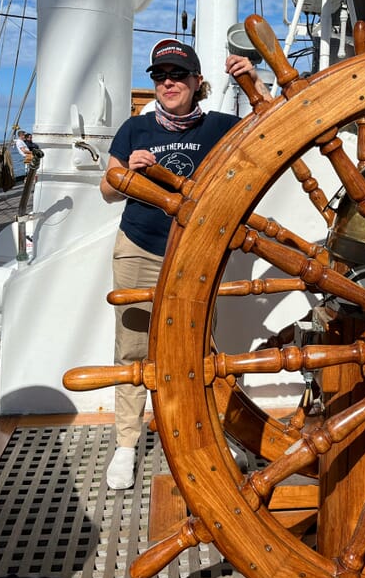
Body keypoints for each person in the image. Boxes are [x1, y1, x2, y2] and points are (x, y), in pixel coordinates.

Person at [100, 38, 268, 490]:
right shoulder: (135, 129)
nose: (168, 83)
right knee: (133, 347)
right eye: (160, 76)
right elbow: (108, 189)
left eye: (177, 75)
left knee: (196, 348)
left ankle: (205, 434)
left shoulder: (220, 127)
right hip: (139, 245)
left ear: (197, 82)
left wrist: (251, 79)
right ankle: (127, 443)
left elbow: (275, 125)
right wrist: (127, 174)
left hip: (195, 253)